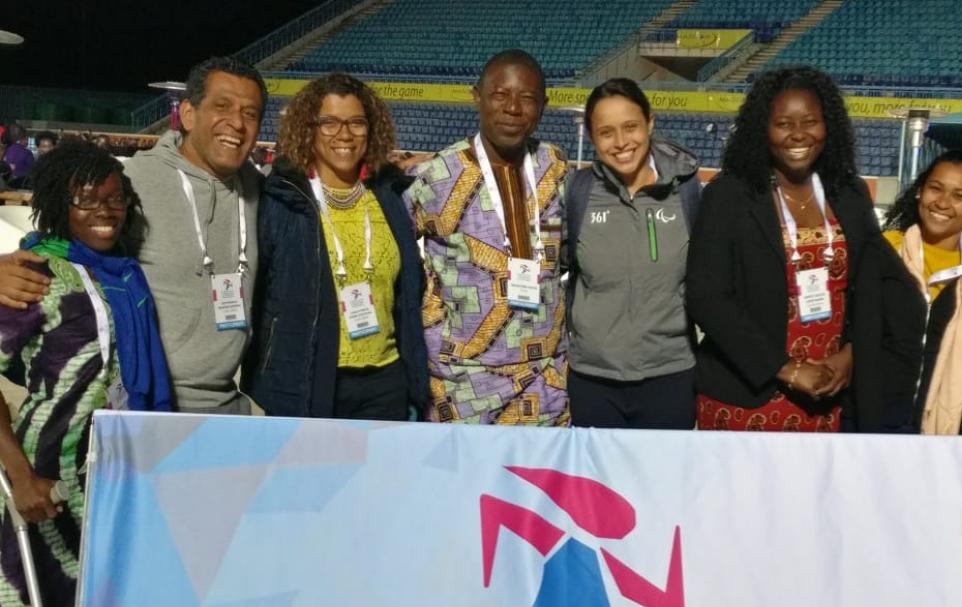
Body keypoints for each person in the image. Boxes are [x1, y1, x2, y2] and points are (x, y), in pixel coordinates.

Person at [0, 141, 172, 607]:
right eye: (85, 199)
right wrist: (19, 472)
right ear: (56, 205)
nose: (103, 210)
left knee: (92, 605)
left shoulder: (122, 272)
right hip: (51, 462)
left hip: (119, 461)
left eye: (112, 197)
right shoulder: (38, 271)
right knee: (27, 597)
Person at [0, 57, 267, 414]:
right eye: (223, 106)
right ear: (188, 114)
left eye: (250, 113)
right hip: (147, 406)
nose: (236, 122)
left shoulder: (259, 191)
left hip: (226, 405)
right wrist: (5, 267)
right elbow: (58, 245)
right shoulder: (135, 181)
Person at [686, 66, 924, 432]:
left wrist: (852, 354)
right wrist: (785, 369)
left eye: (810, 121)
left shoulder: (850, 193)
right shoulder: (729, 196)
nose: (798, 134)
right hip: (747, 399)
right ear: (763, 130)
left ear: (827, 125)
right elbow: (707, 297)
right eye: (783, 123)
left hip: (829, 394)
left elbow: (877, 285)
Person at [244, 73, 428, 420]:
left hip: (385, 381)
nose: (344, 134)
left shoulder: (389, 196)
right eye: (329, 122)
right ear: (308, 129)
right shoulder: (283, 199)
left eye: (356, 123)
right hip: (309, 379)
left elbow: (408, 290)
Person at [405, 49, 570, 425]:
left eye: (527, 98)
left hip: (545, 385)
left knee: (538, 484)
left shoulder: (554, 166)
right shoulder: (434, 178)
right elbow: (395, 258)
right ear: (476, 96)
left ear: (543, 106)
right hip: (464, 388)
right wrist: (431, 326)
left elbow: (569, 253)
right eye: (500, 95)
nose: (513, 108)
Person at [561, 78, 701, 429]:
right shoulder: (577, 194)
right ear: (592, 137)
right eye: (606, 132)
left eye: (631, 127)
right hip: (593, 380)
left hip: (669, 375)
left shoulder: (686, 192)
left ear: (650, 123)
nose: (621, 143)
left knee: (662, 482)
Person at [881, 150, 962, 434]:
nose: (943, 203)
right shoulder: (886, 250)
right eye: (935, 188)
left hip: (946, 420)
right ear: (920, 191)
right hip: (877, 413)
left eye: (959, 196)